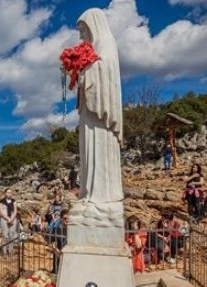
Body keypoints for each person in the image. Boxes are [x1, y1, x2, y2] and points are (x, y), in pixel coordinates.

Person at [76, 9, 124, 204]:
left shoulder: (106, 42)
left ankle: (102, 195)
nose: (80, 35)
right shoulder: (96, 45)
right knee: (88, 151)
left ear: (93, 26)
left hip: (100, 116)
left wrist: (82, 70)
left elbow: (106, 69)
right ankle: (89, 192)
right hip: (89, 109)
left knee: (98, 148)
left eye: (82, 30)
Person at [0, 188, 20, 253]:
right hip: (4, 219)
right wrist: (8, 218)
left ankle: (10, 250)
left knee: (12, 235)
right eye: (8, 192)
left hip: (13, 219)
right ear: (5, 193)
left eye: (10, 192)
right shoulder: (1, 202)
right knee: (5, 235)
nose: (9, 193)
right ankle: (4, 251)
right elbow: (1, 212)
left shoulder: (14, 201)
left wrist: (11, 219)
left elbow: (15, 211)